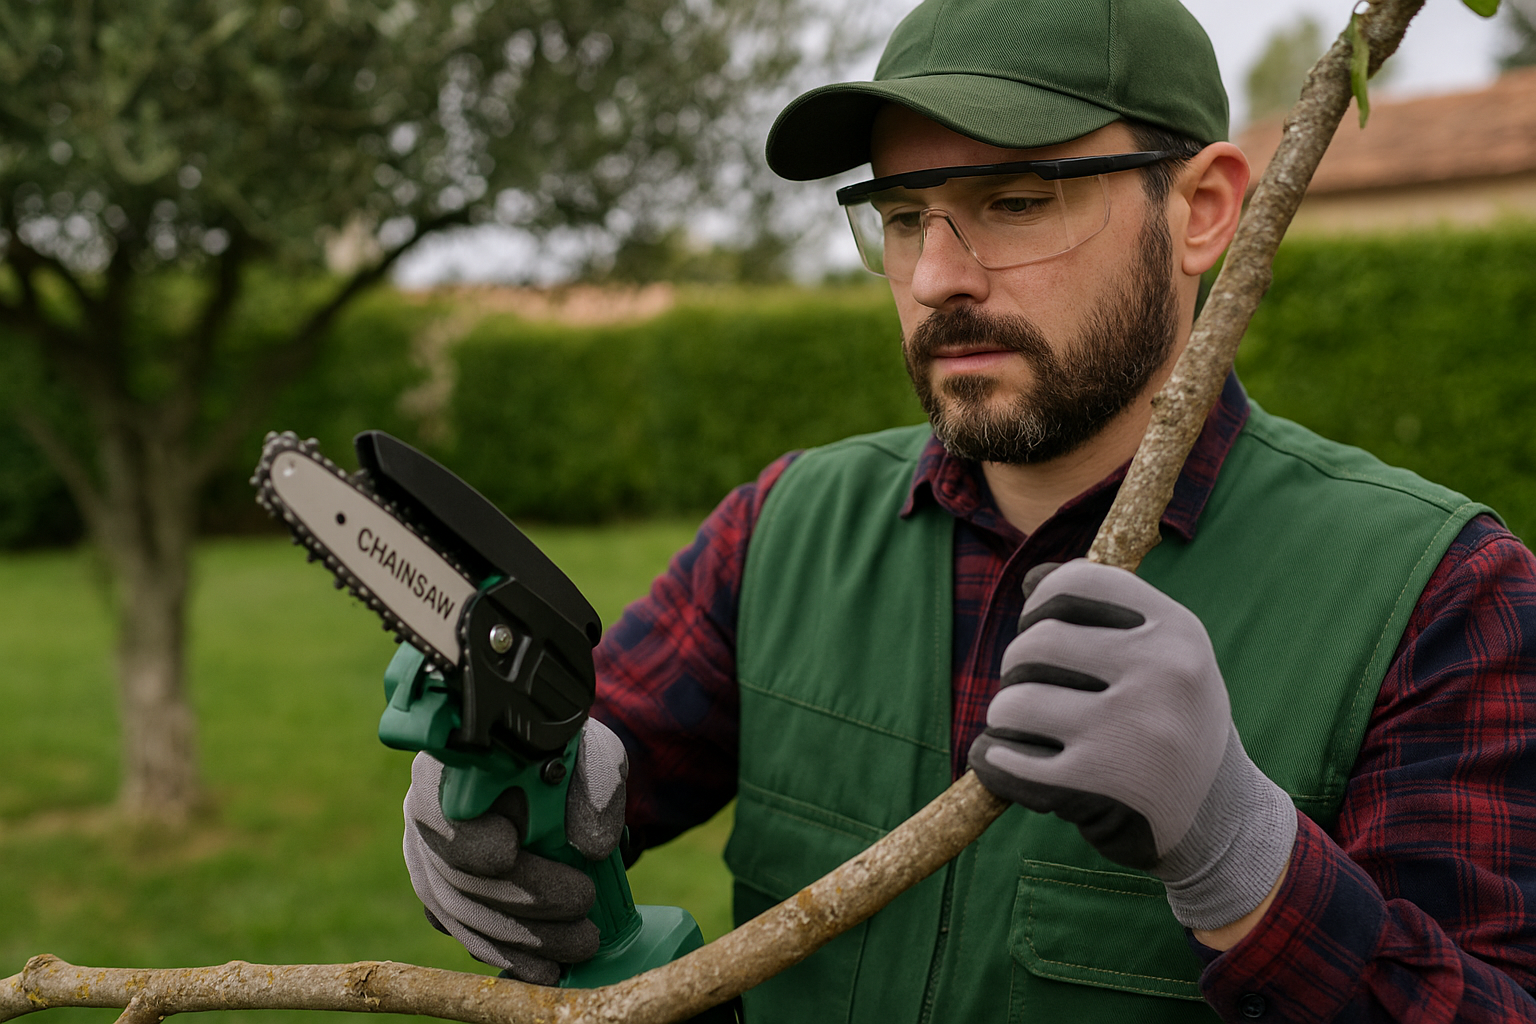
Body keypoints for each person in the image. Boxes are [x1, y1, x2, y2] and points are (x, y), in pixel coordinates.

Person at [401, 0, 1536, 1019]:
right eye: (904, 214)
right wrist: (494, 816)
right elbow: (602, 763)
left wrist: (1246, 859)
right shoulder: (787, 525)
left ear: (1200, 212)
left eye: (1015, 200)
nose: (939, 276)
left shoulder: (1439, 593)